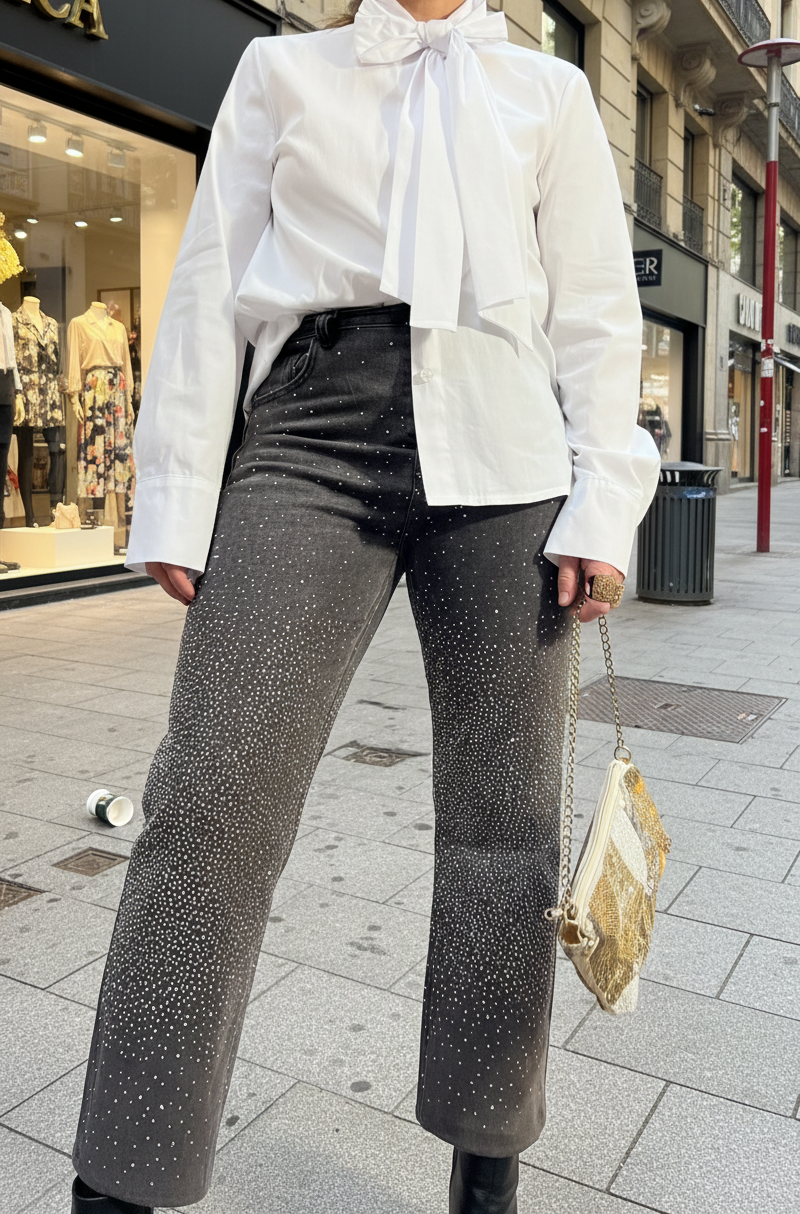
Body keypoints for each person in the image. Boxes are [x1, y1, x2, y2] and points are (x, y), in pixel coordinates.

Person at [70, 1, 660, 1211]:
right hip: (307, 435)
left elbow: (597, 312)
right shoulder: (281, 67)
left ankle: (485, 1158)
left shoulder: (545, 94)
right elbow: (210, 283)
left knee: (504, 832)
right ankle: (124, 1174)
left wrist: (604, 506)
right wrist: (179, 494)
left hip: (505, 448)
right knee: (206, 806)